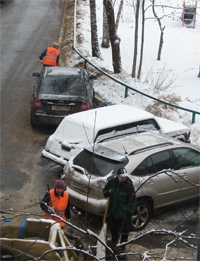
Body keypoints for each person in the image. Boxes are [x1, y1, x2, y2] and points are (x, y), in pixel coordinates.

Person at [103, 168, 137, 250]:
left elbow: (133, 201)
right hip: (113, 213)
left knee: (125, 232)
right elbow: (105, 191)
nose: (124, 178)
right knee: (114, 231)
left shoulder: (129, 186)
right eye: (122, 176)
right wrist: (107, 193)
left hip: (123, 215)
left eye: (125, 176)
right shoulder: (112, 182)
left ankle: (122, 248)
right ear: (117, 175)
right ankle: (113, 247)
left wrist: (129, 212)